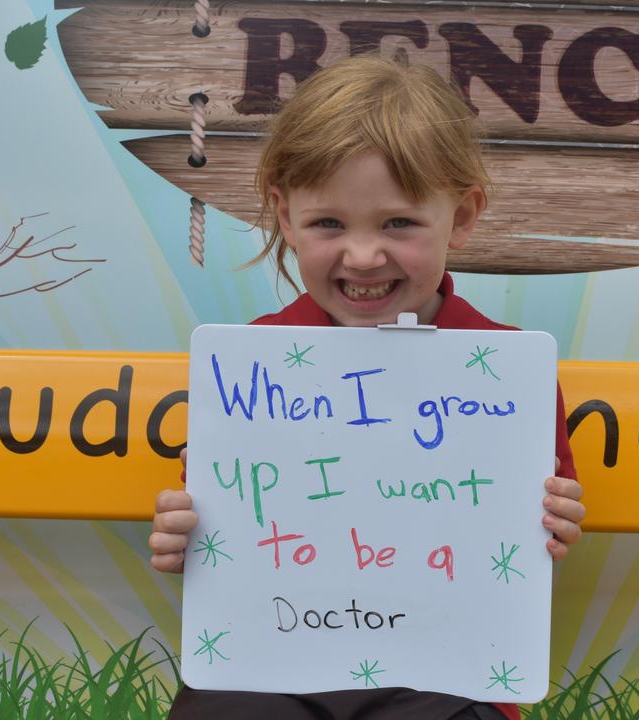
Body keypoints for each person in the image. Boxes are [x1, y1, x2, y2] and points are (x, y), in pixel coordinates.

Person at [149, 54, 586, 720]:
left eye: (398, 223)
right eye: (329, 223)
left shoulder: (504, 369)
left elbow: (537, 536)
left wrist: (555, 523)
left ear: (461, 217)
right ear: (285, 217)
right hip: (273, 661)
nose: (361, 256)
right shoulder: (252, 365)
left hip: (446, 674)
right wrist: (187, 536)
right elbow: (222, 522)